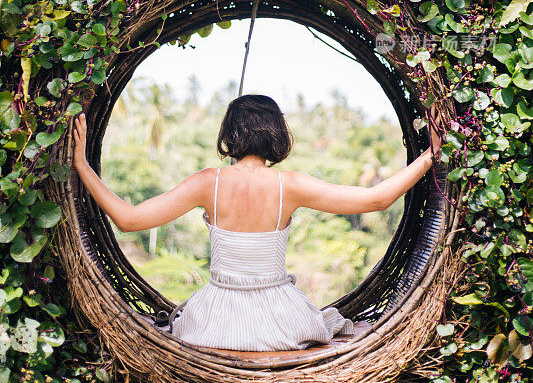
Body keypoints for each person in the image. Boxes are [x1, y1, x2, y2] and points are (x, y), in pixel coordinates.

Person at [72, 95, 443, 351]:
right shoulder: (290, 186)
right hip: (282, 319)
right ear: (276, 134)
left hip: (214, 320)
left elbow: (127, 219)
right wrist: (429, 156)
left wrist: (82, 166)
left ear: (229, 133)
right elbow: (377, 199)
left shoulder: (208, 182)